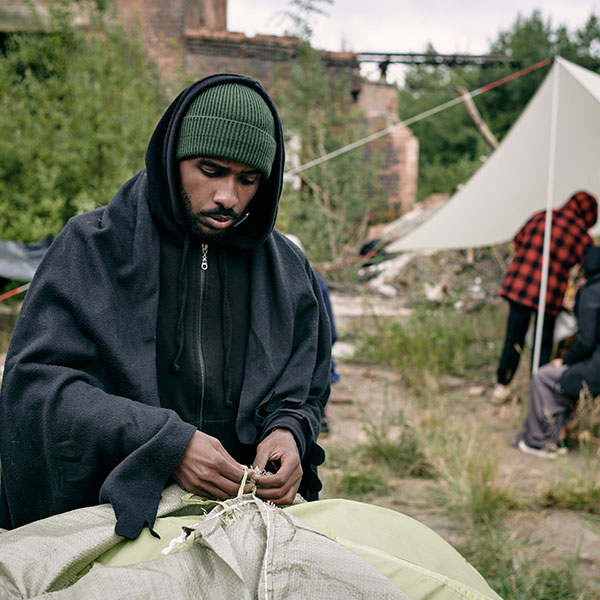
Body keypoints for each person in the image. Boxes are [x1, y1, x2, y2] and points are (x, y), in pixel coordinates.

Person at [0, 74, 332, 540]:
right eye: (211, 170)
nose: (228, 198)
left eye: (248, 179)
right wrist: (165, 445)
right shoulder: (92, 250)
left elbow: (307, 387)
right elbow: (35, 390)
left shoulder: (288, 271)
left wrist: (289, 431)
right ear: (171, 156)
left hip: (241, 519)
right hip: (108, 518)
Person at [491, 191, 597, 404]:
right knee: (543, 343)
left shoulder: (543, 216)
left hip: (520, 285)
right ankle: (538, 389)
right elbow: (584, 269)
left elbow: (518, 240)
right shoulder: (582, 237)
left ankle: (502, 386)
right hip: (548, 294)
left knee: (514, 338)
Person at [516, 245, 600, 458]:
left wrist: (565, 361)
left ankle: (539, 441)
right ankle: (558, 437)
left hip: (596, 368)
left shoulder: (591, 293)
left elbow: (586, 340)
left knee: (544, 377)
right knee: (561, 379)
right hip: (594, 363)